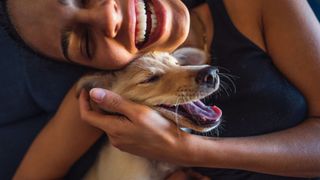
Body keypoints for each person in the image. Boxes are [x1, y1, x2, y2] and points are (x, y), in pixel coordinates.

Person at [0, 0, 319, 180]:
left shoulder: (259, 6)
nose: (107, 17)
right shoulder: (107, 93)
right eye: (85, 40)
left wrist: (185, 151)